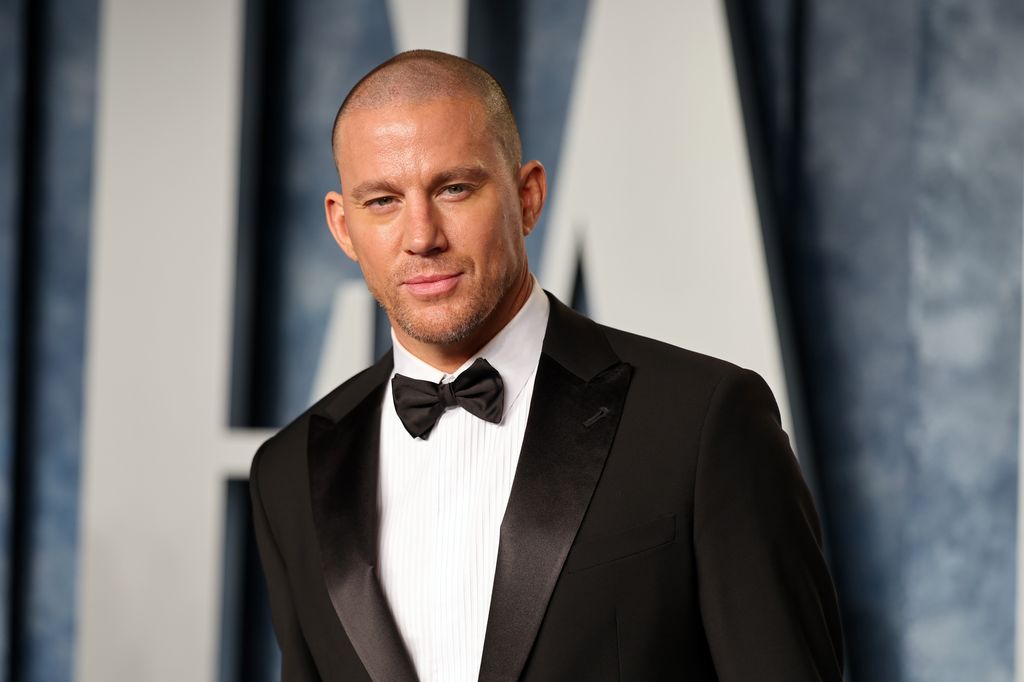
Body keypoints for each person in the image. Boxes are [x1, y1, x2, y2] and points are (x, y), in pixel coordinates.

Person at [250, 49, 844, 681]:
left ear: (527, 197)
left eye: (454, 188)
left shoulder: (701, 419)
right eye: (383, 201)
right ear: (343, 227)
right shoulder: (289, 473)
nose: (421, 236)